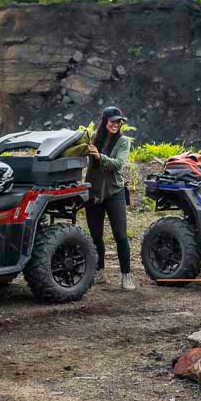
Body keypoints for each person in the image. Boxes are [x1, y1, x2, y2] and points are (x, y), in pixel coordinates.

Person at [85, 106, 134, 290]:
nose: (116, 124)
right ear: (105, 121)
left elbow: (118, 164)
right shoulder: (93, 139)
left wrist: (100, 156)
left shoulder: (123, 141)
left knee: (120, 235)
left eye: (119, 121)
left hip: (115, 192)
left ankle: (126, 275)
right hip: (94, 193)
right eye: (113, 121)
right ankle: (100, 271)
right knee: (96, 235)